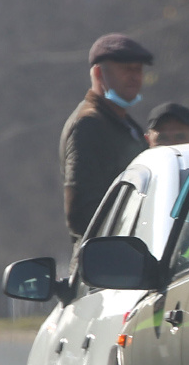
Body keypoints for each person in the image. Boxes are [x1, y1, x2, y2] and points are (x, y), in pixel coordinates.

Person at [61, 33, 155, 239]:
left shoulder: (124, 124)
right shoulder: (88, 124)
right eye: (125, 69)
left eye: (138, 69)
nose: (134, 77)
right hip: (106, 258)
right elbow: (81, 215)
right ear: (98, 74)